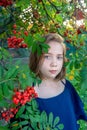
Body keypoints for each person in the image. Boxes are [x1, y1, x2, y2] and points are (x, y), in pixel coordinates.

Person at [29, 33, 87, 130]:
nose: (54, 63)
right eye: (47, 56)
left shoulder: (66, 85)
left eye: (59, 57)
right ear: (36, 58)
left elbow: (76, 114)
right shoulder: (28, 93)